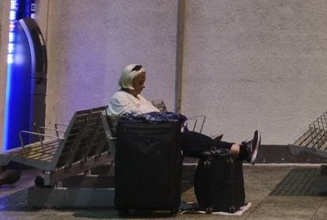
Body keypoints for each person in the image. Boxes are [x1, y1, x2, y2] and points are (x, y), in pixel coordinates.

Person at [107, 63, 260, 162]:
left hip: (153, 139)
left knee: (194, 139)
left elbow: (148, 116)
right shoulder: (120, 98)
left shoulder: (135, 96)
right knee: (191, 140)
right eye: (140, 83)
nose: (144, 86)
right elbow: (140, 119)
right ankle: (241, 151)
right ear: (130, 82)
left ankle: (240, 150)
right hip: (145, 144)